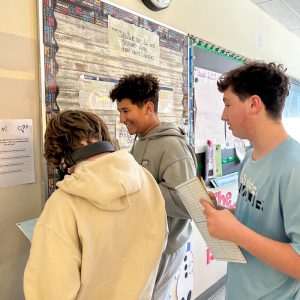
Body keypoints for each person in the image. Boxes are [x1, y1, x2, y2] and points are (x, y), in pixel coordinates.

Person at [24, 110, 167, 300]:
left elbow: (50, 291)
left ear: (61, 158)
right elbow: (161, 238)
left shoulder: (64, 203)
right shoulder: (145, 179)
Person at [200, 62, 300, 299]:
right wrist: (224, 213)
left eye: (227, 104)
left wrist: (236, 233)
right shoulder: (249, 156)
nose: (223, 116)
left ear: (254, 104)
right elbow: (259, 220)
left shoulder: (294, 167)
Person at [110, 73, 197, 300]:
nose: (121, 119)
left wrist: (136, 186)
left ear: (148, 108)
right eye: (120, 111)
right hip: (144, 243)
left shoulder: (173, 146)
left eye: (126, 111)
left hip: (166, 246)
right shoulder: (140, 142)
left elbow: (188, 204)